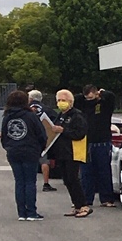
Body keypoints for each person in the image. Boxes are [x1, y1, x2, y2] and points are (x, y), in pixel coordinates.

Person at [0, 89, 48, 221]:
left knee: (19, 182)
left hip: (13, 152)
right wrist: (40, 149)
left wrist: (9, 147)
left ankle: (21, 213)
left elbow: (4, 137)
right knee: (30, 182)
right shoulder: (30, 116)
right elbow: (41, 134)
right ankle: (31, 212)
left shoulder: (7, 117)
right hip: (30, 151)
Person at [49, 89, 93, 217]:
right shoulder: (60, 116)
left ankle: (84, 205)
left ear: (70, 102)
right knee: (67, 180)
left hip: (73, 152)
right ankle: (77, 205)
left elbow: (80, 133)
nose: (61, 103)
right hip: (62, 152)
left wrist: (63, 131)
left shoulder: (77, 116)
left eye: (64, 100)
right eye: (59, 100)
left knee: (73, 179)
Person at [82, 84, 118, 206]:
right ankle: (86, 199)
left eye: (92, 98)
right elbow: (75, 99)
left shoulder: (105, 104)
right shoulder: (84, 105)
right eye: (88, 98)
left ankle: (106, 198)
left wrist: (102, 93)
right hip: (87, 143)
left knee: (104, 171)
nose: (90, 101)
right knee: (86, 173)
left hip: (102, 142)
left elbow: (112, 97)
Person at [32, 90, 58, 193]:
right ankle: (46, 183)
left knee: (31, 161)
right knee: (44, 161)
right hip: (43, 139)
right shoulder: (47, 109)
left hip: (29, 139)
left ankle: (30, 183)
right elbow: (56, 121)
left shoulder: (25, 109)